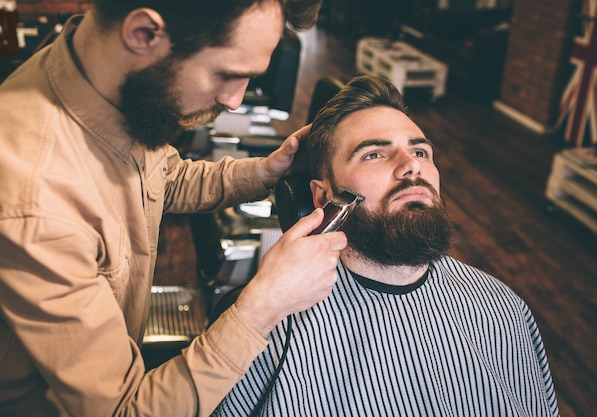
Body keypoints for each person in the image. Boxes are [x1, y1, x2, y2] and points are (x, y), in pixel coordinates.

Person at [0, 1, 348, 416]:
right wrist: (264, 305)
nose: (235, 100)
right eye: (227, 74)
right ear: (144, 33)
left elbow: (160, 178)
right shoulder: (35, 201)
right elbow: (124, 410)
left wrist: (266, 171)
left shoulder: (106, 82)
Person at [214, 75, 561, 417]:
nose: (411, 166)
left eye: (421, 151)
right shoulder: (271, 334)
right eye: (374, 154)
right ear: (325, 196)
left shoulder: (502, 309)